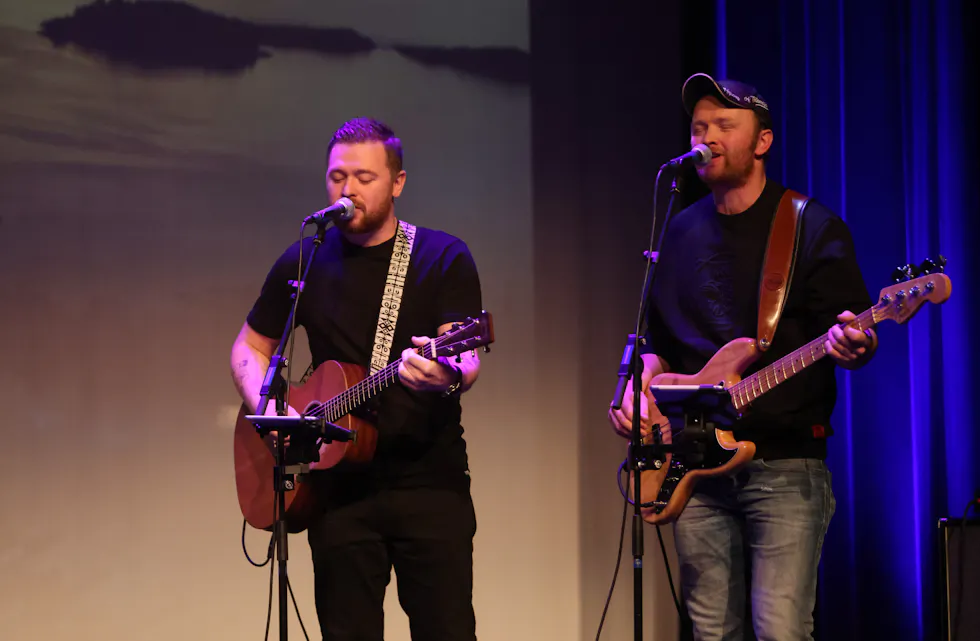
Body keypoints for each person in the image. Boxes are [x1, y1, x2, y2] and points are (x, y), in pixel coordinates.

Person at [608, 74, 878, 640]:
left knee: (779, 628)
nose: (707, 137)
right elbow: (656, 341)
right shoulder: (680, 229)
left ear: (762, 142)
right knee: (710, 631)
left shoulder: (809, 225)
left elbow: (853, 331)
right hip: (695, 465)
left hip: (784, 464)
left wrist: (859, 341)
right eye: (699, 127)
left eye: (724, 126)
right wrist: (637, 389)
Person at [230, 117, 483, 641]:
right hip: (337, 491)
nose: (347, 189)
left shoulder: (441, 256)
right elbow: (249, 348)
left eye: (364, 177)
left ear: (398, 182)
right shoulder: (306, 258)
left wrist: (444, 374)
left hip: (428, 485)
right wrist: (273, 413)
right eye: (337, 176)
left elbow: (467, 356)